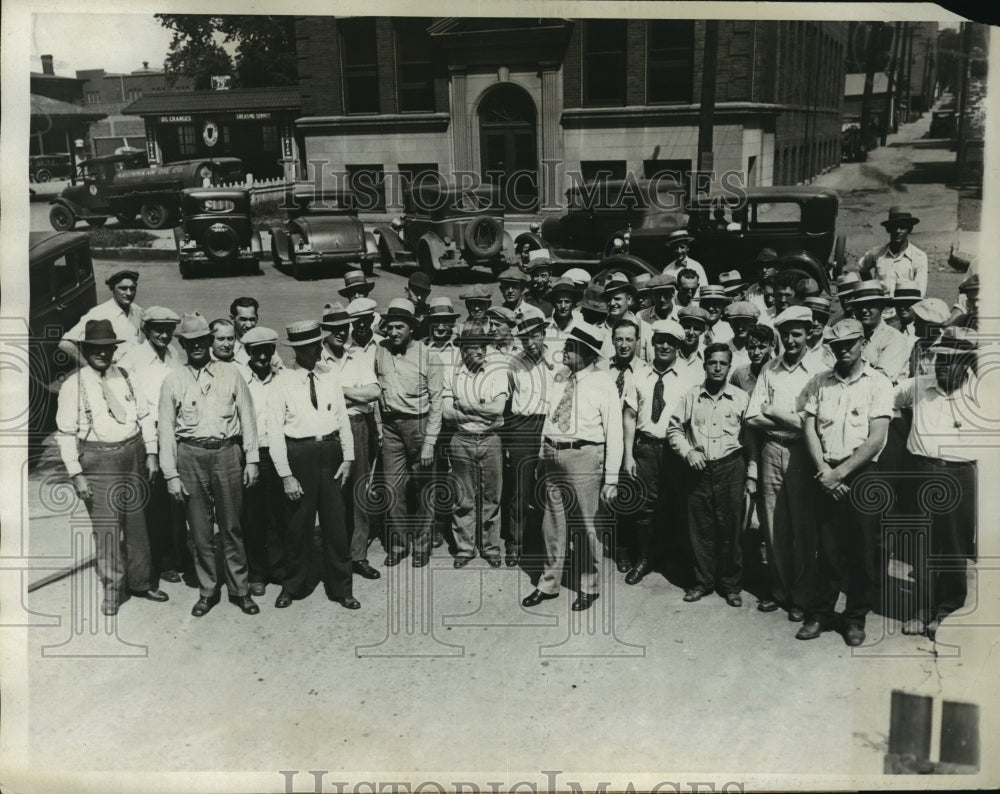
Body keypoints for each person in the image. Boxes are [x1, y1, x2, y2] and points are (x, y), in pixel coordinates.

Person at [55, 319, 167, 616]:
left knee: (137, 525)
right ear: (85, 349)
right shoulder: (72, 386)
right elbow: (65, 433)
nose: (101, 353)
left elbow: (144, 417)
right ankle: (113, 589)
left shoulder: (127, 377)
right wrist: (76, 474)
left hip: (132, 453)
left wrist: (152, 453)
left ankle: (142, 581)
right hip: (97, 460)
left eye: (107, 348)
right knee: (106, 528)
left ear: (113, 349)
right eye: (95, 348)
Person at [158, 312, 261, 618]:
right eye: (190, 342)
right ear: (184, 345)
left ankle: (240, 590)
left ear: (210, 341)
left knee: (231, 526)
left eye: (203, 340)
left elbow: (248, 418)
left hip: (227, 454)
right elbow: (165, 430)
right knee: (201, 530)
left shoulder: (231, 374)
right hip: (189, 456)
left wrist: (251, 459)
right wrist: (171, 475)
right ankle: (207, 590)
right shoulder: (173, 380)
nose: (198, 346)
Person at [799, 318, 894, 647]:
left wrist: (840, 474)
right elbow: (809, 428)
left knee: (862, 551)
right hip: (825, 471)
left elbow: (877, 438)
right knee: (826, 549)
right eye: (837, 345)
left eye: (850, 344)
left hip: (862, 474)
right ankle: (820, 613)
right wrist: (825, 470)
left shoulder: (878, 383)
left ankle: (854, 618)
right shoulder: (819, 382)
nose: (843, 350)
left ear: (863, 344)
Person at [522, 322, 623, 611]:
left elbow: (614, 430)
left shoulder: (603, 382)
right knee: (552, 525)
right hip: (554, 454)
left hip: (584, 456)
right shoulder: (560, 377)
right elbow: (550, 418)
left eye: (571, 348)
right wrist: (543, 454)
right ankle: (548, 583)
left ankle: (589, 586)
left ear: (588, 354)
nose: (564, 351)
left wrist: (612, 478)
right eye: (566, 346)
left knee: (587, 526)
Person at [893, 327, 978, 639]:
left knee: (954, 547)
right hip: (920, 470)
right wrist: (905, 431)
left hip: (960, 474)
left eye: (951, 360)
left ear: (967, 362)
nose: (942, 365)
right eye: (939, 358)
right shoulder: (919, 386)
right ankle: (922, 609)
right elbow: (887, 401)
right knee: (921, 545)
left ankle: (948, 611)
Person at [267, 321, 358, 610]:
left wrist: (348, 458)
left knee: (336, 527)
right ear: (297, 350)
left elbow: (343, 419)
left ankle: (341, 588)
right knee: (298, 527)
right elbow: (275, 432)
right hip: (299, 454)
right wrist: (286, 475)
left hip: (330, 453)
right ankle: (293, 586)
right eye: (311, 346)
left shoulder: (329, 376)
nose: (319, 349)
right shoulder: (282, 381)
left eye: (319, 343)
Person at [744, 306, 825, 619]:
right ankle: (780, 591)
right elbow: (752, 415)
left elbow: (814, 425)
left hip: (804, 453)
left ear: (807, 334)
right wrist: (793, 420)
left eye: (797, 334)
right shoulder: (770, 369)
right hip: (772, 451)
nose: (791, 340)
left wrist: (776, 413)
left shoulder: (819, 370)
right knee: (774, 522)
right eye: (786, 334)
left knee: (803, 527)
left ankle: (802, 597)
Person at [668, 343, 750, 606]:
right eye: (712, 362)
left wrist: (751, 473)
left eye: (723, 363)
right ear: (704, 365)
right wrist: (688, 452)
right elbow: (674, 430)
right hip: (699, 469)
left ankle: (731, 585)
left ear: (729, 366)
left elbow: (750, 437)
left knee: (730, 528)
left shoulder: (741, 398)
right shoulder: (691, 396)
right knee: (700, 528)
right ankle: (702, 582)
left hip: (731, 467)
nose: (717, 368)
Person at [621, 318, 697, 586]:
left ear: (678, 346)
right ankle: (645, 558)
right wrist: (628, 455)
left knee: (678, 504)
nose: (664, 346)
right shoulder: (638, 374)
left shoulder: (690, 376)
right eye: (660, 340)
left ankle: (677, 559)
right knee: (644, 506)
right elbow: (629, 415)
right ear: (652, 343)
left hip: (676, 449)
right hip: (645, 448)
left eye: (671, 342)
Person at [118, 306, 190, 585]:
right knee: (157, 501)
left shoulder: (174, 355)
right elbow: (131, 404)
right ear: (146, 330)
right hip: (150, 436)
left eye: (169, 329)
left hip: (175, 435)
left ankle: (181, 550)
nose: (164, 334)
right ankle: (164, 559)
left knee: (179, 498)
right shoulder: (132, 359)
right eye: (158, 329)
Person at [374, 299, 445, 567]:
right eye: (389, 327)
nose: (392, 332)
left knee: (424, 488)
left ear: (412, 328)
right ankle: (399, 544)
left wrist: (429, 443)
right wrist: (381, 428)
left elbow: (437, 403)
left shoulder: (429, 356)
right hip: (391, 428)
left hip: (420, 425)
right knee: (393, 488)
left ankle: (422, 546)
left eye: (399, 327)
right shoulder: (380, 351)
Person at [318, 302, 383, 581]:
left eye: (344, 328)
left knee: (359, 489)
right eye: (334, 329)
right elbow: (317, 401)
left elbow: (373, 393)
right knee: (333, 492)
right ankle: (335, 553)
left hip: (357, 426)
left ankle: (358, 555)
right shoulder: (315, 359)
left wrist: (339, 392)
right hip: (329, 429)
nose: (341, 334)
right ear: (325, 330)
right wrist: (352, 393)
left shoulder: (357, 357)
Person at [442, 323, 509, 568]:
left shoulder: (496, 372)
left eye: (484, 346)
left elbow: (498, 409)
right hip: (461, 440)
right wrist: (481, 412)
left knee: (492, 497)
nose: (482, 351)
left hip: (490, 439)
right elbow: (448, 414)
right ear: (463, 350)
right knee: (463, 498)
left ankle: (490, 547)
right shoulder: (452, 373)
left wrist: (466, 408)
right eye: (475, 347)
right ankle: (465, 548)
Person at [237, 326, 285, 596]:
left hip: (280, 452)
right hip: (252, 455)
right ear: (247, 352)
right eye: (257, 351)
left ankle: (278, 566)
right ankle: (257, 572)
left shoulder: (284, 378)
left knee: (279, 512)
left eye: (267, 350)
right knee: (253, 515)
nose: (263, 357)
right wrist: (249, 459)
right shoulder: (240, 379)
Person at [503, 316, 553, 567]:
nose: (530, 342)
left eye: (534, 335)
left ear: (544, 333)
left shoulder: (557, 362)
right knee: (519, 489)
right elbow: (510, 398)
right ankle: (515, 543)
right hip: (522, 426)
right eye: (524, 338)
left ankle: (547, 544)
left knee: (548, 487)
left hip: (549, 424)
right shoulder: (514, 363)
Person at [609, 318, 649, 572]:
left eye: (629, 339)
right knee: (611, 494)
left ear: (638, 342)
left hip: (633, 440)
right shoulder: (603, 369)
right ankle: (618, 548)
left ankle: (633, 550)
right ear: (613, 340)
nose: (624, 345)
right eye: (619, 339)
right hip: (607, 438)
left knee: (632, 495)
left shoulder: (645, 370)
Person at [423, 297, 462, 550]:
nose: (440, 328)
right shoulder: (421, 349)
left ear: (452, 325)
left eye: (445, 323)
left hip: (453, 421)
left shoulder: (458, 351)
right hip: (428, 421)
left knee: (457, 474)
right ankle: (435, 525)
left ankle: (457, 527)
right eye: (436, 322)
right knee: (433, 474)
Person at [59, 270, 145, 365]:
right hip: (115, 370)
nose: (129, 293)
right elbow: (65, 344)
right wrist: (88, 367)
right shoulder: (99, 313)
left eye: (132, 288)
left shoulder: (139, 311)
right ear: (113, 289)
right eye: (123, 288)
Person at [858, 208, 928, 311]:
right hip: (881, 311)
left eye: (903, 227)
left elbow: (919, 292)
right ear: (888, 229)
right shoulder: (877, 253)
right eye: (894, 227)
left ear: (909, 229)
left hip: (905, 311)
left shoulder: (919, 257)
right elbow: (862, 266)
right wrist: (872, 288)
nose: (898, 231)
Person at [847, 280, 910, 384]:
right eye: (859, 305)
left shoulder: (894, 339)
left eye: (869, 304)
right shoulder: (850, 336)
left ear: (881, 306)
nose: (863, 310)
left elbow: (880, 380)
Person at [230, 296, 284, 369]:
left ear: (257, 318)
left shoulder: (265, 343)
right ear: (232, 319)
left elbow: (281, 370)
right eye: (243, 319)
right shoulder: (227, 346)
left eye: (252, 319)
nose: (248, 325)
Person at [730, 324, 774, 395]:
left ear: (772, 346)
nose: (756, 353)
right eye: (752, 347)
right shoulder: (739, 374)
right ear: (746, 347)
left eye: (761, 347)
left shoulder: (780, 372)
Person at [723, 300, 759, 370]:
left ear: (754, 322)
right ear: (730, 323)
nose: (740, 327)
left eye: (745, 322)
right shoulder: (724, 349)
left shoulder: (760, 349)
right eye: (735, 322)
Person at [675, 305, 708, 381]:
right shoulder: (671, 351)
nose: (691, 332)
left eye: (696, 328)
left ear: (702, 330)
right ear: (679, 326)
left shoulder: (707, 355)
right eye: (687, 327)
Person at [405, 272, 433, 341]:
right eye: (415, 292)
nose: (419, 297)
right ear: (406, 291)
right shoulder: (397, 309)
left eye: (423, 293)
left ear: (428, 293)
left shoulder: (431, 313)